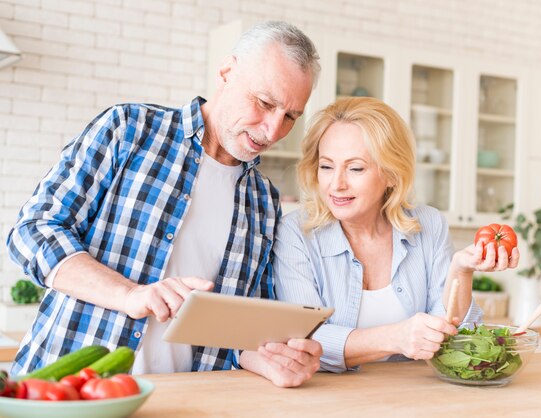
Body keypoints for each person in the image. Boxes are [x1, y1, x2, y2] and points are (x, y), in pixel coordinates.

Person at [6, 21, 322, 387]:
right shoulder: (129, 129)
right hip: (65, 394)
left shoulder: (264, 201)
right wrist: (130, 295)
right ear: (226, 72)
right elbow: (32, 232)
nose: (272, 130)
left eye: (290, 117)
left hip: (184, 401)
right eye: (264, 103)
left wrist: (274, 359)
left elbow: (238, 331)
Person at [272, 97, 520, 372]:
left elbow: (453, 332)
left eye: (355, 168)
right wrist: (396, 338)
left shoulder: (429, 224)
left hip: (413, 396)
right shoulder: (297, 231)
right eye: (327, 166)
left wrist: (461, 272)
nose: (336, 184)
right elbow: (304, 337)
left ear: (391, 174)